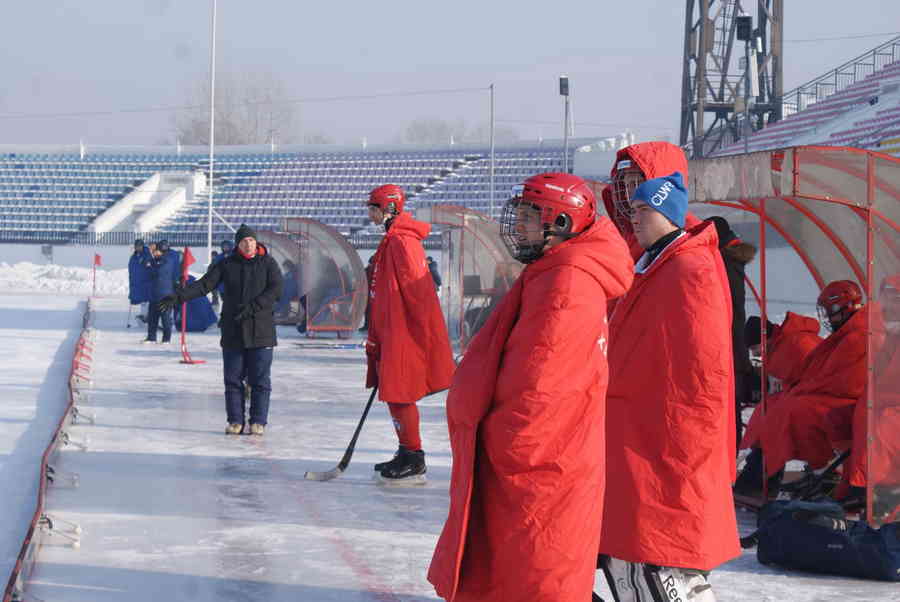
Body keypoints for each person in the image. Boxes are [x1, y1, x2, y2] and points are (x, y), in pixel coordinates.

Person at [428, 173, 633, 602]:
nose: (517, 226)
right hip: (549, 460)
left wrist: (503, 448)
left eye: (527, 217)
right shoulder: (555, 272)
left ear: (560, 223)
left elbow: (541, 391)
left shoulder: (568, 283)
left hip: (540, 465)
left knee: (534, 575)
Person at [598, 169, 739, 601]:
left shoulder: (688, 268)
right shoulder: (655, 264)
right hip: (634, 428)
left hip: (660, 435)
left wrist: (682, 433)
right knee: (628, 553)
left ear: (668, 213)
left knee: (659, 553)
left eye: (644, 209)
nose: (635, 218)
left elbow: (702, 369)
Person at [364, 184, 454, 483]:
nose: (370, 213)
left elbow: (418, 291)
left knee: (399, 392)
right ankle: (406, 450)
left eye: (373, 208)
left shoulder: (402, 242)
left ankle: (414, 457)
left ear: (388, 209)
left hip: (403, 332)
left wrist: (417, 333)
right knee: (394, 394)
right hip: (391, 329)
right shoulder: (391, 240)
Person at [159, 225, 283, 435]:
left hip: (261, 330)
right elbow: (204, 285)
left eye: (251, 240)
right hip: (233, 329)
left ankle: (258, 421)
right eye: (244, 241)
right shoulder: (227, 264)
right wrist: (177, 297)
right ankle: (235, 420)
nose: (248, 244)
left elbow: (276, 290)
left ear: (256, 242)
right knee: (232, 379)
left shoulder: (268, 264)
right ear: (238, 244)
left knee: (260, 380)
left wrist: (254, 306)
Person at [745, 280, 867, 487]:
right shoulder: (847, 334)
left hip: (853, 404)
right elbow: (822, 376)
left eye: (830, 311)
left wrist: (800, 391)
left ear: (845, 308)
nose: (828, 317)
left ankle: (821, 469)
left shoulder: (858, 336)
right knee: (774, 406)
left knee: (794, 409)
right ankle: (761, 466)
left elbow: (845, 382)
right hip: (836, 397)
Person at [707, 216, 757, 452]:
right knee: (729, 406)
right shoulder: (731, 262)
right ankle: (729, 458)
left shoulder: (723, 265)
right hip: (733, 347)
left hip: (727, 347)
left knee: (726, 408)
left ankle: (727, 460)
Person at [144, 239, 179, 344]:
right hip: (154, 294)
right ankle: (151, 337)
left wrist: (150, 266)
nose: (154, 252)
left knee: (165, 318)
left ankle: (166, 339)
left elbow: (158, 272)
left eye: (156, 250)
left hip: (165, 294)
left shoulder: (169, 259)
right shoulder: (156, 260)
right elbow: (148, 268)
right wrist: (150, 260)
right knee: (152, 318)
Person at [128, 238, 152, 323]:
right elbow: (132, 269)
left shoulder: (147, 255)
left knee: (146, 299)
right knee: (142, 300)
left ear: (142, 246)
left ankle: (147, 315)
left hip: (146, 282)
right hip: (136, 282)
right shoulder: (133, 257)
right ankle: (143, 315)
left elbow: (150, 267)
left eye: (139, 246)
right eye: (136, 246)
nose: (137, 248)